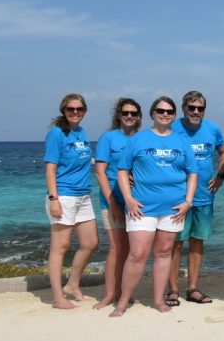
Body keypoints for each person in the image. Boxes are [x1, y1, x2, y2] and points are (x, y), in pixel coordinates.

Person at [112, 97, 197, 317]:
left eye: (169, 111)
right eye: (160, 110)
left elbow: (192, 173)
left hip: (173, 208)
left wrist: (188, 201)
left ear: (174, 115)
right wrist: (128, 198)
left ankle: (158, 300)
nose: (165, 114)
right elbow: (122, 170)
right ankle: (122, 301)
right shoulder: (138, 139)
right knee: (138, 254)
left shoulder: (181, 141)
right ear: (152, 113)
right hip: (142, 206)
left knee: (163, 253)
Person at [169, 91, 224, 306]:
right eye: (191, 107)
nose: (195, 111)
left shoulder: (212, 129)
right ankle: (173, 289)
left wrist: (221, 175)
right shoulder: (172, 128)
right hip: (177, 197)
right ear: (183, 108)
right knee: (175, 243)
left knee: (197, 242)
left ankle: (192, 288)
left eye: (199, 108)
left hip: (204, 196)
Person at [44, 93, 98, 310]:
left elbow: (86, 161)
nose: (75, 112)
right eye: (70, 109)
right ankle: (58, 297)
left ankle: (72, 284)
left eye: (79, 109)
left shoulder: (81, 132)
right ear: (63, 111)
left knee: (90, 243)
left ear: (84, 111)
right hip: (64, 195)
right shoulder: (57, 134)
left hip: (84, 194)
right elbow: (50, 167)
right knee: (60, 247)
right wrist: (53, 199)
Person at [93, 97, 141, 309]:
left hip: (136, 202)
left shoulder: (141, 139)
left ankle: (125, 292)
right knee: (116, 248)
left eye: (133, 113)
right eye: (125, 113)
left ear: (139, 117)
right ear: (119, 116)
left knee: (131, 250)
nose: (129, 116)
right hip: (112, 200)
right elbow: (100, 172)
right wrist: (111, 202)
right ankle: (109, 294)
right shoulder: (108, 138)